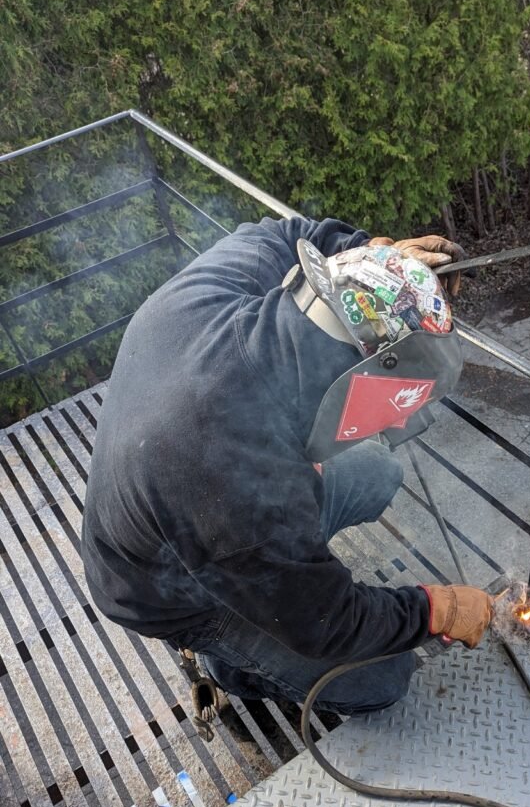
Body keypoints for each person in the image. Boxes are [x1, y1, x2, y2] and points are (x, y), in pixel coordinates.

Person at [81, 215, 494, 715]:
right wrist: (437, 609)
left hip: (181, 506)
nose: (390, 425)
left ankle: (277, 584)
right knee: (382, 680)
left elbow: (283, 233)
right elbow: (329, 622)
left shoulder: (214, 291)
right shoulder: (239, 491)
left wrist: (372, 258)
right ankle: (230, 665)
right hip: (167, 590)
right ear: (351, 383)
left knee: (376, 472)